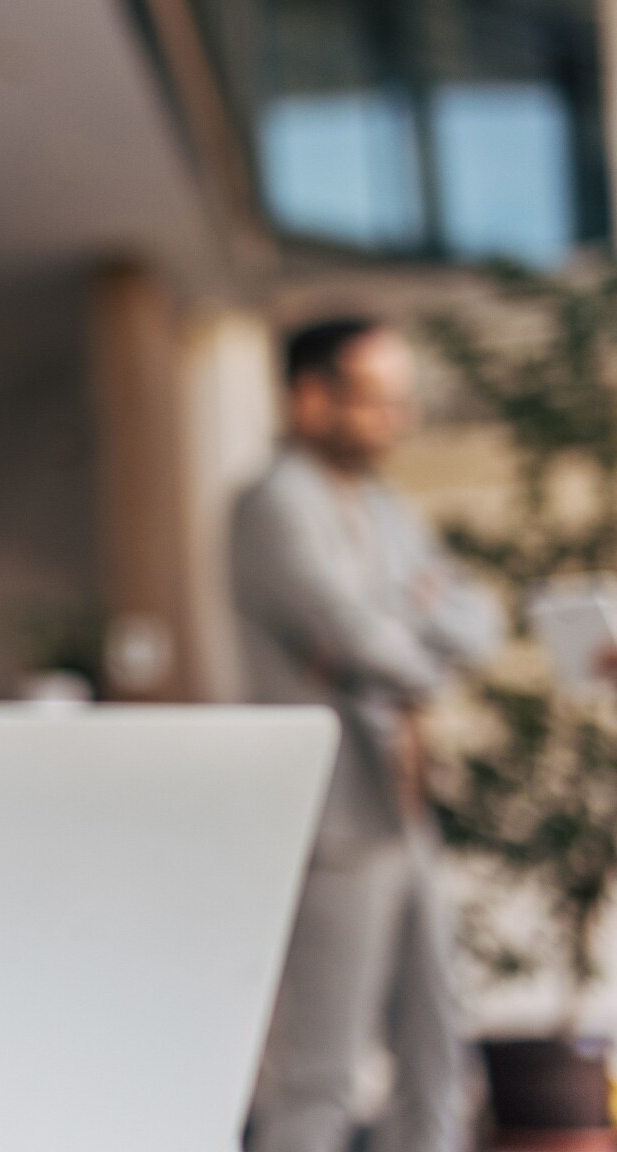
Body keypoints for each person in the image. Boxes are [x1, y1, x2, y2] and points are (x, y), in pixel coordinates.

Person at [233, 317, 502, 1152]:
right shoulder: (274, 503)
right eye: (377, 399)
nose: (398, 417)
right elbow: (360, 636)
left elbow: (477, 618)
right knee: (325, 1071)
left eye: (402, 398)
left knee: (439, 1055)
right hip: (341, 824)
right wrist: (408, 631)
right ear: (310, 398)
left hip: (407, 808)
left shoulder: (383, 509)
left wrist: (403, 638)